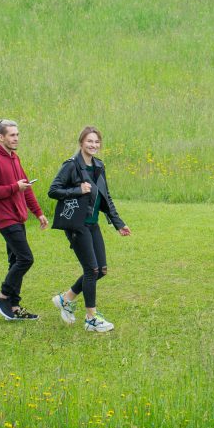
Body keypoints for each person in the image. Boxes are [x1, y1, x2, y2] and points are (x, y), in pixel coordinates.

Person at [48, 126, 131, 332]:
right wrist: (78, 190)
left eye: (96, 142)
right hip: (77, 224)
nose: (93, 145)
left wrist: (118, 223)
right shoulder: (71, 166)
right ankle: (91, 318)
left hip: (93, 224)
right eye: (89, 141)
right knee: (91, 270)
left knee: (101, 270)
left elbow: (106, 197)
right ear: (81, 143)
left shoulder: (99, 166)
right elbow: (53, 190)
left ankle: (66, 298)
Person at [0, 119, 48, 321]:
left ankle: (14, 307)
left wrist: (38, 213)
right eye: (12, 135)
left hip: (19, 217)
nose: (16, 138)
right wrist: (14, 188)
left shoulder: (15, 159)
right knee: (26, 259)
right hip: (6, 219)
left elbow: (26, 188)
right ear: (1, 137)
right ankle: (2, 297)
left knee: (15, 261)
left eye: (17, 134)